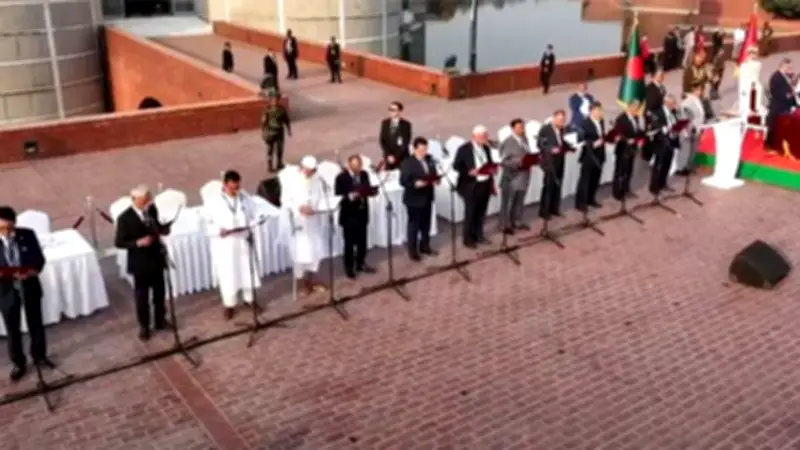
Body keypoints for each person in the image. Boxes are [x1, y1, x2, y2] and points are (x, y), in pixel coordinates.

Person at [0, 206, 53, 381]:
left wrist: (32, 271)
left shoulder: (27, 235)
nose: (6, 232)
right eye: (2, 229)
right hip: (6, 290)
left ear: (14, 224)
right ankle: (18, 363)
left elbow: (39, 259)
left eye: (9, 228)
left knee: (35, 323)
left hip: (29, 285)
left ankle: (40, 356)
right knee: (12, 328)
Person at [114, 185, 171, 340]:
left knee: (159, 293)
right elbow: (119, 242)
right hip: (140, 263)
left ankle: (160, 319)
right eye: (145, 200)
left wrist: (164, 229)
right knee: (142, 297)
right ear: (135, 200)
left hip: (156, 258)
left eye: (149, 199)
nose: (148, 202)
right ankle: (144, 326)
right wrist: (138, 243)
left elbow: (156, 227)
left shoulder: (152, 210)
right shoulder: (125, 218)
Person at [205, 171, 262, 320]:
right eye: (232, 187)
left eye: (237, 186)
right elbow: (206, 224)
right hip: (226, 244)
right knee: (229, 274)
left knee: (246, 270)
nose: (236, 190)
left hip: (242, 240)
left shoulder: (244, 197)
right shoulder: (214, 202)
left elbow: (256, 213)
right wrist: (219, 231)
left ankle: (249, 300)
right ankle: (229, 305)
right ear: (225, 185)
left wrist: (252, 224)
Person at [282, 156, 327, 295]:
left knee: (314, 252)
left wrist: (315, 208)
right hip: (299, 223)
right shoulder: (292, 181)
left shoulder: (318, 180)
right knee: (301, 254)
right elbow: (285, 201)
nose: (309, 173)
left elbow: (322, 197)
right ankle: (302, 284)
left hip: (313, 222)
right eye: (307, 170)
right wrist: (299, 208)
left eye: (312, 171)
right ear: (302, 167)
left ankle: (311, 281)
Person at [453, 125, 495, 248]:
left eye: (485, 135)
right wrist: (468, 171)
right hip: (471, 186)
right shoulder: (464, 149)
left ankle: (479, 235)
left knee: (481, 212)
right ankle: (468, 239)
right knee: (470, 213)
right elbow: (456, 165)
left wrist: (492, 168)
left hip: (485, 184)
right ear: (474, 136)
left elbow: (489, 162)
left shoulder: (486, 148)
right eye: (482, 136)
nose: (485, 138)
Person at [334, 155, 375, 277]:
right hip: (349, 216)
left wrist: (371, 192)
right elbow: (338, 195)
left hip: (362, 213)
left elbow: (367, 188)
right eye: (355, 166)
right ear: (349, 165)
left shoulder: (364, 174)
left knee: (362, 242)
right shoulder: (341, 178)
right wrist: (349, 197)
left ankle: (361, 263)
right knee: (349, 244)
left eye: (359, 165)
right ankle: (349, 267)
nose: (358, 168)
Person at [400, 137, 438, 261]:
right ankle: (413, 251)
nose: (424, 152)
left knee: (426, 224)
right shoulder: (408, 162)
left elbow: (433, 173)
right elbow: (403, 181)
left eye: (426, 149)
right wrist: (415, 184)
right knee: (414, 226)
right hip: (414, 199)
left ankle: (425, 246)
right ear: (415, 149)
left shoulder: (429, 159)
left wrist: (436, 179)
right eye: (421, 150)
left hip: (427, 197)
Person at [498, 118, 532, 234]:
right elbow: (503, 161)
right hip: (512, 177)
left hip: (524, 175)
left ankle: (517, 221)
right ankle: (505, 225)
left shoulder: (524, 139)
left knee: (519, 200)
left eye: (523, 127)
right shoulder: (508, 142)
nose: (522, 129)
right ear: (513, 129)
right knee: (508, 202)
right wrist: (518, 163)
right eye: (519, 127)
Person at [536, 110, 571, 219]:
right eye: (560, 120)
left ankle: (555, 209)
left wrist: (570, 146)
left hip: (560, 160)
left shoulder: (562, 129)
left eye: (563, 120)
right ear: (554, 118)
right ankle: (544, 211)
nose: (562, 122)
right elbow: (540, 143)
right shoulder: (545, 129)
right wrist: (550, 149)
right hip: (550, 162)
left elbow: (562, 142)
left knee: (558, 184)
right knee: (548, 186)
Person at [647, 95, 681, 196]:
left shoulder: (673, 112)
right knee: (658, 164)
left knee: (667, 163)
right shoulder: (656, 113)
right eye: (673, 103)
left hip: (671, 140)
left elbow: (675, 122)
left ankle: (662, 183)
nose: (674, 105)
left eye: (674, 103)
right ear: (666, 103)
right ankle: (654, 187)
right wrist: (663, 128)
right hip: (661, 142)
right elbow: (653, 124)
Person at [575, 102, 606, 211]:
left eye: (600, 110)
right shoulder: (584, 123)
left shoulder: (601, 121)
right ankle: (580, 203)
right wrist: (593, 144)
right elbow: (580, 140)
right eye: (598, 110)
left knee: (595, 179)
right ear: (592, 111)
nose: (600, 112)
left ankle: (591, 199)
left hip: (600, 155)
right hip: (589, 156)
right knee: (585, 180)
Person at [611, 101, 645, 200]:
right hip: (622, 150)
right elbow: (617, 134)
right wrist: (626, 140)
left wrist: (641, 136)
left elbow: (637, 131)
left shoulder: (636, 117)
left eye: (637, 108)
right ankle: (617, 193)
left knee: (629, 170)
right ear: (629, 108)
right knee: (620, 172)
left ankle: (626, 189)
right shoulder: (621, 119)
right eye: (635, 108)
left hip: (632, 149)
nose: (636, 110)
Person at [767, 59, 798, 149]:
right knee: (776, 130)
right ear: (783, 66)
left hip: (786, 107)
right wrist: (790, 94)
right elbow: (778, 92)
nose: (791, 69)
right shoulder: (776, 77)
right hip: (779, 108)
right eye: (789, 67)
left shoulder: (786, 77)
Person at [676, 83, 706, 176]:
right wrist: (685, 130)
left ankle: (688, 166)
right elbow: (683, 116)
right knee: (686, 149)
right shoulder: (687, 102)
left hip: (697, 128)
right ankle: (681, 168)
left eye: (701, 90)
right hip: (688, 129)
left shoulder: (697, 100)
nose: (701, 92)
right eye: (699, 90)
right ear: (694, 90)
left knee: (693, 148)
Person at [260, 92, 292, 172]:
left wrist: (289, 130)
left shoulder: (282, 109)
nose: (275, 101)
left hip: (280, 131)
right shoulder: (267, 110)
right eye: (273, 99)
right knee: (270, 150)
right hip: (270, 131)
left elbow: (286, 120)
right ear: (271, 100)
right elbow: (263, 122)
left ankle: (279, 163)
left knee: (280, 148)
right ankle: (270, 166)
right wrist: (263, 132)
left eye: (276, 99)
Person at [379, 101, 412, 170]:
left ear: (399, 111)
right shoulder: (385, 123)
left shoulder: (406, 125)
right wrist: (388, 154)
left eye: (393, 110)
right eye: (390, 109)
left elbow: (405, 143)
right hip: (389, 158)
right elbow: (382, 140)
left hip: (401, 158)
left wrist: (395, 156)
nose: (390, 112)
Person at [737, 47, 765, 118]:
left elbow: (755, 68)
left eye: (755, 54)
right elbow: (742, 77)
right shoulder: (744, 65)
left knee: (755, 100)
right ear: (749, 54)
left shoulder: (757, 64)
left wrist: (747, 61)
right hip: (746, 85)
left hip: (755, 84)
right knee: (747, 101)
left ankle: (754, 111)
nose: (754, 55)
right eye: (752, 53)